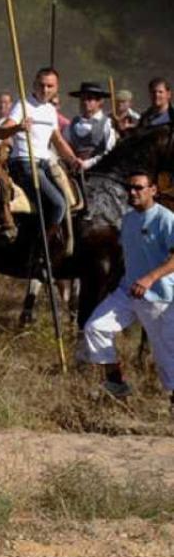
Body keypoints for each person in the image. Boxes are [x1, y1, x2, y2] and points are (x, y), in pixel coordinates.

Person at [82, 170, 174, 406]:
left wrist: (150, 278)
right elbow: (127, 255)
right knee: (95, 327)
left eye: (138, 188)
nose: (132, 192)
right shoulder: (128, 219)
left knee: (167, 359)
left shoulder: (165, 219)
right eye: (129, 188)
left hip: (159, 297)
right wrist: (114, 281)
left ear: (153, 190)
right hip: (128, 291)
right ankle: (116, 382)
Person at [0, 67, 80, 233]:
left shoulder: (50, 110)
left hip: (45, 164)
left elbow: (58, 140)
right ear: (34, 85)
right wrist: (18, 127)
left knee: (72, 200)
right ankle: (42, 244)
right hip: (25, 163)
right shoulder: (23, 105)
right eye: (41, 85)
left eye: (50, 86)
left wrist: (73, 159)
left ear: (56, 88)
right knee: (58, 204)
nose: (45, 90)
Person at [65, 81, 118, 169]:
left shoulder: (107, 123)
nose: (85, 102)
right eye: (82, 99)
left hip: (99, 170)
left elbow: (110, 152)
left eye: (89, 99)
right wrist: (72, 160)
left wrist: (87, 163)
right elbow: (63, 145)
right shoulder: (72, 124)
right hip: (73, 168)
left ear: (100, 101)